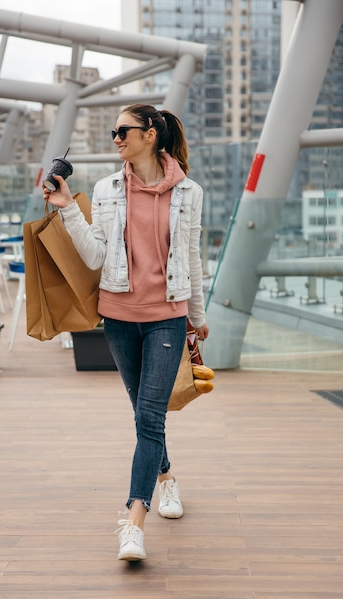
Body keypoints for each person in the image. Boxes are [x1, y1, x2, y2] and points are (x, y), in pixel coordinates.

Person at [43, 103, 209, 561]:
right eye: (114, 131)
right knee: (144, 413)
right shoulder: (106, 189)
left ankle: (134, 520)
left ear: (150, 134)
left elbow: (191, 260)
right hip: (117, 316)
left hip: (167, 317)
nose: (116, 138)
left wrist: (196, 316)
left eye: (124, 130)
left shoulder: (189, 192)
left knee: (150, 417)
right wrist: (66, 209)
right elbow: (95, 257)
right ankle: (166, 478)